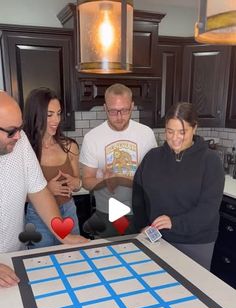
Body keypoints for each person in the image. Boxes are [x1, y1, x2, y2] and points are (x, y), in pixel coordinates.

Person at [0, 91, 88, 288]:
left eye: (20, 128)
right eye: (11, 131)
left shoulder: (20, 142)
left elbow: (39, 192)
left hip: (14, 255)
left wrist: (64, 235)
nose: (19, 136)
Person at [132, 102, 225, 270]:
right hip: (157, 238)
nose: (175, 138)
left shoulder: (210, 161)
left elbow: (208, 209)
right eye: (170, 131)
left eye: (182, 132)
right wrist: (142, 225)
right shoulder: (152, 157)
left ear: (194, 128)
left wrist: (174, 223)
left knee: (193, 290)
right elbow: (138, 193)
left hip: (196, 243)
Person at [79, 83, 157, 237]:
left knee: (141, 258)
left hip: (140, 213)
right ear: (105, 108)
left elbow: (152, 179)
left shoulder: (146, 134)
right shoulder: (92, 138)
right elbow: (87, 182)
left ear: (132, 106)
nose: (120, 117)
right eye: (113, 111)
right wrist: (103, 181)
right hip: (107, 215)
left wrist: (119, 180)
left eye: (125, 110)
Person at [24, 87, 83, 248]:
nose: (56, 120)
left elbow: (79, 184)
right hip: (38, 216)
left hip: (69, 211)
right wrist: (47, 190)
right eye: (49, 114)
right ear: (36, 115)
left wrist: (75, 183)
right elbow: (17, 196)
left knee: (74, 260)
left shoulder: (70, 146)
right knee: (41, 261)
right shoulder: (24, 149)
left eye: (58, 113)